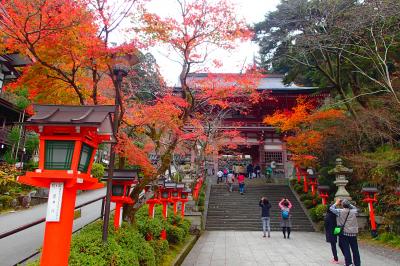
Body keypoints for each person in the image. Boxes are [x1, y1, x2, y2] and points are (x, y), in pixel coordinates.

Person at [330, 199, 360, 266]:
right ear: (349, 205)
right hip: (353, 233)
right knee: (355, 249)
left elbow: (331, 208)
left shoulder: (339, 211)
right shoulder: (353, 211)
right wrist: (349, 204)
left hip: (344, 233)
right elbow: (356, 208)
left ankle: (348, 263)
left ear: (342, 205)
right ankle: (357, 263)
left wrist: (336, 203)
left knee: (346, 249)